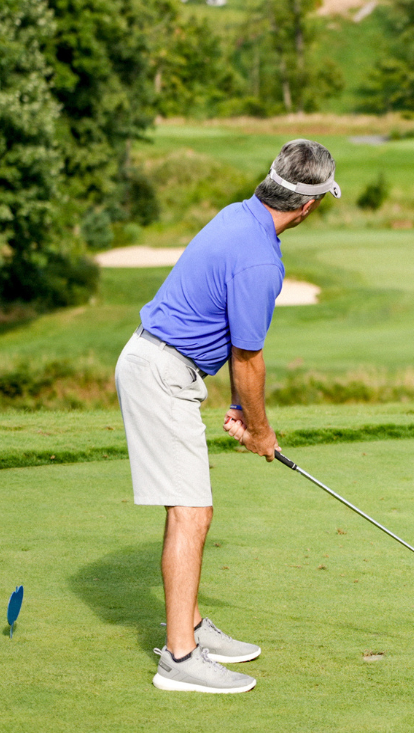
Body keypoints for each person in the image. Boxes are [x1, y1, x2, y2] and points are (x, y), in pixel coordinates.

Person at [115, 139, 341, 694]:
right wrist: (261, 431)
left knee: (190, 508)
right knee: (192, 513)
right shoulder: (262, 259)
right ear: (309, 204)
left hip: (159, 364)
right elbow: (247, 358)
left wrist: (242, 409)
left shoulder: (238, 214)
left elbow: (229, 340)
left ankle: (190, 626)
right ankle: (180, 659)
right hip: (161, 373)